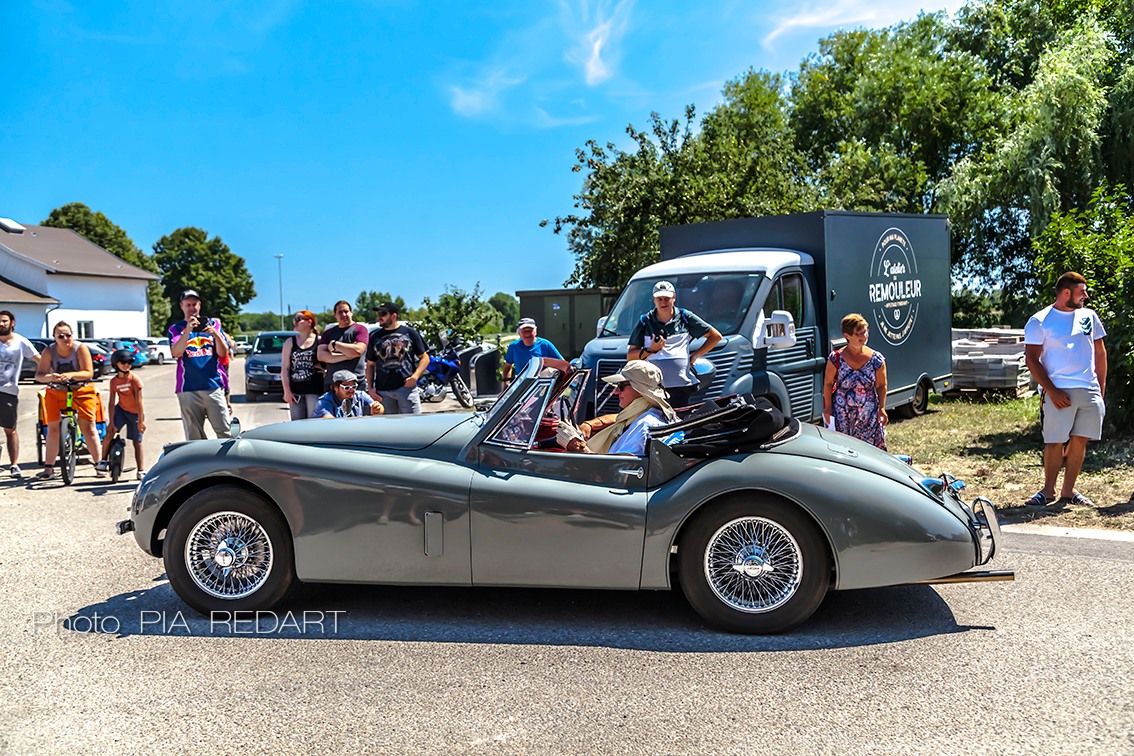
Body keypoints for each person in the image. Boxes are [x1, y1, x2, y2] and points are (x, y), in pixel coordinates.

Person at [1023, 271, 1107, 508]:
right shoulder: (1040, 320)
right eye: (1082, 292)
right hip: (1059, 390)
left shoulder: (1089, 316)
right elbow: (1031, 359)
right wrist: (1051, 390)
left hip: (1089, 391)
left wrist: (1100, 389)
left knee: (1080, 441)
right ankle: (1047, 491)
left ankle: (1068, 492)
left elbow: (1100, 353)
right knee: (1054, 441)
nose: (1086, 296)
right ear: (1066, 292)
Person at [627, 280, 722, 408]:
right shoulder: (645, 321)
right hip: (653, 388)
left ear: (674, 298)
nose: (663, 302)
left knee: (679, 422)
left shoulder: (685, 317)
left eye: (667, 298)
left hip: (681, 388)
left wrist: (695, 356)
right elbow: (630, 356)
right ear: (654, 300)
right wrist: (651, 350)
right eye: (659, 298)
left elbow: (715, 336)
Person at [556, 360, 677, 455]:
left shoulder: (645, 424)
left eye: (621, 385)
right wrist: (590, 424)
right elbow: (617, 418)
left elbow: (617, 470)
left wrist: (577, 446)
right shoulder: (642, 414)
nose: (616, 392)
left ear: (640, 389)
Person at [34, 321, 104, 479]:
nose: (65, 338)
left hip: (81, 389)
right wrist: (51, 377)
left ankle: (99, 464)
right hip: (57, 390)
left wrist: (71, 375)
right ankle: (49, 468)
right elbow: (39, 375)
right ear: (54, 337)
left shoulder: (80, 349)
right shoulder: (49, 351)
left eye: (68, 335)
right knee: (52, 427)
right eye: (61, 336)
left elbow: (88, 373)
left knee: (88, 426)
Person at [169, 289, 231, 440]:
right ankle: (201, 463)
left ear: (200, 305)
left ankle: (227, 463)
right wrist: (188, 330)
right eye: (188, 304)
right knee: (194, 436)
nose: (192, 308)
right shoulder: (175, 329)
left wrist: (215, 334)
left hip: (213, 385)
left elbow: (223, 353)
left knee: (225, 432)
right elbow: (176, 353)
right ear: (182, 306)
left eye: (194, 304)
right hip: (188, 388)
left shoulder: (214, 324)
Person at [822, 313, 888, 450]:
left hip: (868, 417)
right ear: (847, 335)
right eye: (859, 333)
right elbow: (828, 383)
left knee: (870, 452)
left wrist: (881, 407)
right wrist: (828, 408)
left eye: (865, 332)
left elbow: (881, 385)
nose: (864, 336)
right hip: (842, 415)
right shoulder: (835, 358)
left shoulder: (877, 360)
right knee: (843, 451)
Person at [366, 302, 429, 414]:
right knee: (389, 429)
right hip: (383, 391)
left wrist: (415, 377)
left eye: (383, 313)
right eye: (378, 314)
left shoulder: (410, 333)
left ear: (394, 316)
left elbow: (424, 358)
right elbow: (370, 364)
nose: (379, 317)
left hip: (406, 389)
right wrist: (370, 388)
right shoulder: (374, 337)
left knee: (415, 427)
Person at [0, 310, 40, 477]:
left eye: (4, 321)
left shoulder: (21, 342)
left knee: (10, 429)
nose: (1, 324)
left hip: (9, 391)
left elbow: (39, 358)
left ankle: (14, 465)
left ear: (12, 322)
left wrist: (53, 372)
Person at [95, 349, 146, 479]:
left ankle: (140, 470)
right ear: (115, 364)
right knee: (109, 433)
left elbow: (139, 402)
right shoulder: (114, 382)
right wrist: (111, 422)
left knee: (137, 441)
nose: (126, 365)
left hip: (135, 413)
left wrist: (140, 420)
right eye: (123, 362)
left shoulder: (134, 380)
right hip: (121, 410)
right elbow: (112, 402)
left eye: (129, 362)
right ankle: (103, 461)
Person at [316, 300, 369, 392]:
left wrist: (334, 344)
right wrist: (347, 355)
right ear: (335, 315)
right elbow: (321, 356)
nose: (344, 315)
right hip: (332, 383)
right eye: (340, 312)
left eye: (346, 311)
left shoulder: (360, 330)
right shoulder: (328, 333)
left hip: (355, 384)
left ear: (351, 313)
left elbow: (358, 351)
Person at [282, 310, 323, 420]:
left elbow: (328, 360)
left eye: (298, 319)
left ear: (309, 322)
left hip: (315, 389)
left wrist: (326, 371)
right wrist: (287, 391)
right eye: (294, 319)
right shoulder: (290, 342)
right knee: (297, 424)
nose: (295, 322)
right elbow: (285, 368)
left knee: (313, 422)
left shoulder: (319, 341)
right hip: (296, 390)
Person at [502, 318, 563, 385]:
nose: (527, 334)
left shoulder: (545, 345)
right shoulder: (514, 346)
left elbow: (562, 363)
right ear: (519, 333)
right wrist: (506, 385)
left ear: (535, 332)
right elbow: (507, 366)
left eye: (530, 330)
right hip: (520, 385)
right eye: (524, 331)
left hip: (541, 385)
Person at [313, 369, 384, 418]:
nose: (351, 390)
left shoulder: (360, 395)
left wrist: (377, 409)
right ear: (335, 388)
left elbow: (380, 409)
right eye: (346, 387)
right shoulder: (324, 402)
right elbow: (329, 423)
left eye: (354, 386)